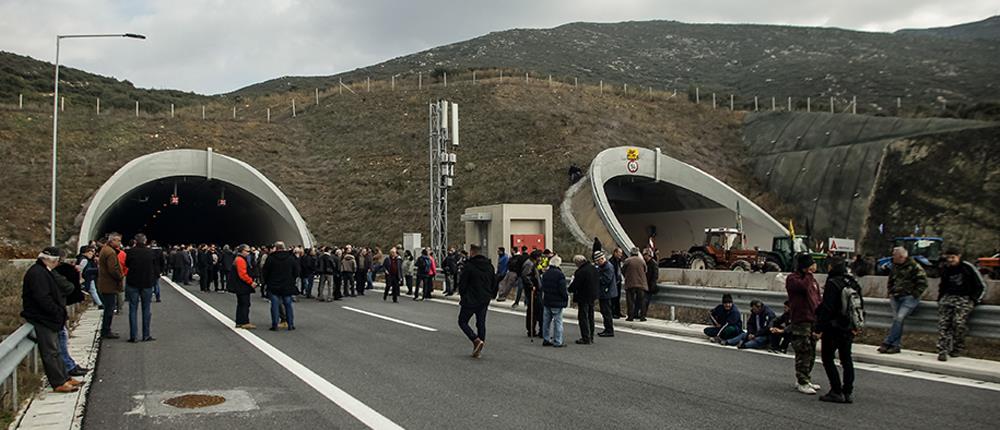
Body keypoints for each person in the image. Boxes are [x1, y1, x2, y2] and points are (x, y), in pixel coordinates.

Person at [22, 247, 81, 393]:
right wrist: (56, 312)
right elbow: (42, 298)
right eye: (57, 261)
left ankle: (64, 377)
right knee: (50, 351)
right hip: (43, 318)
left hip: (49, 317)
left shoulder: (43, 271)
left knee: (56, 350)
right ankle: (58, 382)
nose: (57, 264)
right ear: (50, 260)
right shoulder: (37, 273)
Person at [815, 258, 864, 403]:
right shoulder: (853, 283)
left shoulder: (833, 283)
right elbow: (859, 306)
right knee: (846, 359)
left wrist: (819, 328)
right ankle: (847, 391)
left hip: (833, 327)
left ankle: (836, 390)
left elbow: (827, 308)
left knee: (827, 358)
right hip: (848, 327)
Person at [936, 248, 986, 361]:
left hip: (964, 298)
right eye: (948, 257)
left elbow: (981, 285)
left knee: (958, 323)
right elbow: (942, 285)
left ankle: (958, 346)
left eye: (953, 257)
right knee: (944, 324)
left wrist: (974, 299)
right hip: (948, 298)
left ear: (959, 256)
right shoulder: (946, 269)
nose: (950, 260)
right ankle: (942, 350)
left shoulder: (967, 268)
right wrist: (940, 298)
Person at [878, 247, 928, 354]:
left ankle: (888, 342)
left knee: (899, 318)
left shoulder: (914, 266)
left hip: (909, 298)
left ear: (901, 257)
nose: (892, 257)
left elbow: (923, 282)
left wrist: (914, 294)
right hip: (896, 297)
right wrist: (890, 291)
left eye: (894, 255)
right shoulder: (895, 266)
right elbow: (891, 279)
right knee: (897, 319)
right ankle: (895, 345)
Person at [786, 253, 823, 395]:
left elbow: (816, 298)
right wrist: (808, 274)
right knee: (803, 351)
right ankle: (802, 381)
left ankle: (806, 377)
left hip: (812, 318)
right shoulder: (793, 279)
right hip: (800, 319)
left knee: (812, 351)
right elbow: (802, 287)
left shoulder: (812, 280)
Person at [457, 244, 497, 358]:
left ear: (472, 252)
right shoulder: (490, 266)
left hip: (470, 299)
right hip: (484, 299)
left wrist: (463, 295)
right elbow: (494, 282)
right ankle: (480, 345)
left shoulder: (469, 266)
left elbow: (463, 283)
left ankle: (475, 340)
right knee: (481, 323)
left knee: (462, 321)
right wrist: (491, 295)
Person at [125, 234, 157, 343]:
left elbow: (127, 264)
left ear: (135, 241)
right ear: (145, 241)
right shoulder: (151, 252)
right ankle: (146, 335)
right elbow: (155, 266)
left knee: (133, 309)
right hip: (147, 283)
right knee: (146, 309)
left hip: (133, 283)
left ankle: (133, 336)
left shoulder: (130, 252)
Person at [262, 242, 300, 331]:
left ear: (275, 248)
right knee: (288, 305)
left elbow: (265, 272)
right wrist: (292, 280)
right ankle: (290, 324)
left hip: (273, 285)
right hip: (287, 285)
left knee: (275, 305)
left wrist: (267, 282)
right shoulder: (291, 258)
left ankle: (275, 324)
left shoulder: (271, 258)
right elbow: (296, 271)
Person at [97, 233, 125, 339]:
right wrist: (120, 276)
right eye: (117, 240)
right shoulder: (110, 252)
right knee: (109, 308)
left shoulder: (105, 250)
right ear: (112, 240)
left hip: (105, 283)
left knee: (109, 308)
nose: (119, 243)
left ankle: (106, 330)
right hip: (109, 284)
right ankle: (106, 331)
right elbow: (113, 269)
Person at [569, 255, 599, 345]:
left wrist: (570, 289)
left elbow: (575, 285)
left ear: (578, 263)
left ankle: (585, 337)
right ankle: (591, 336)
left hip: (583, 296)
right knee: (590, 316)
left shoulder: (581, 272)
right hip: (592, 295)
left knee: (583, 317)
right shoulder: (593, 268)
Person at [540, 256, 568, 347]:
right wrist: (565, 298)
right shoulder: (560, 275)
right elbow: (562, 289)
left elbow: (542, 286)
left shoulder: (546, 274)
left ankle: (546, 338)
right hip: (557, 301)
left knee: (546, 321)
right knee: (558, 322)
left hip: (547, 300)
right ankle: (557, 341)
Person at [230, 244, 257, 329]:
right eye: (247, 251)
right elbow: (242, 274)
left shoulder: (238, 259)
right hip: (242, 286)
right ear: (242, 251)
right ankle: (244, 322)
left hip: (239, 285)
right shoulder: (240, 260)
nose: (248, 253)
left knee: (241, 304)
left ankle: (239, 321)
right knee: (245, 303)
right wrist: (251, 282)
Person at [595, 251, 617, 337]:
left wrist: (597, 277)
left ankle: (609, 330)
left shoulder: (608, 267)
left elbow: (606, 280)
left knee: (606, 311)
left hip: (607, 292)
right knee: (604, 311)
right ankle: (607, 328)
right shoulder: (602, 266)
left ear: (602, 259)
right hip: (604, 292)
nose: (597, 262)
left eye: (598, 260)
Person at [622, 247, 647, 321]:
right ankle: (642, 316)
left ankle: (630, 316)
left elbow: (623, 270)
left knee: (630, 301)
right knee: (642, 301)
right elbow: (645, 270)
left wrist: (627, 276)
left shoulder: (627, 261)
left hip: (630, 283)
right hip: (641, 284)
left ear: (631, 253)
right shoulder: (642, 261)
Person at [522, 250, 543, 338]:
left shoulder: (533, 264)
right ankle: (531, 329)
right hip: (532, 291)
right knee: (533, 310)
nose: (541, 259)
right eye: (540, 257)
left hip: (536, 290)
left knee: (535, 310)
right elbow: (525, 276)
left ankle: (533, 329)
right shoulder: (529, 264)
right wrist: (531, 286)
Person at [609, 248, 625, 318]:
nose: (620, 255)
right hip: (614, 282)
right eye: (619, 253)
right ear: (615, 253)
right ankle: (613, 312)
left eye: (621, 253)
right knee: (613, 298)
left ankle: (617, 312)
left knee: (617, 297)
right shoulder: (612, 261)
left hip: (618, 281)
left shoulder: (619, 261)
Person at [643, 248, 658, 318]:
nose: (644, 256)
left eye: (645, 255)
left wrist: (652, 285)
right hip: (645, 284)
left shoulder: (653, 264)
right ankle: (642, 313)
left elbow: (655, 275)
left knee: (646, 300)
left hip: (650, 285)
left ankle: (643, 314)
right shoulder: (646, 263)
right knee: (644, 300)